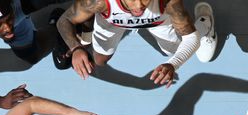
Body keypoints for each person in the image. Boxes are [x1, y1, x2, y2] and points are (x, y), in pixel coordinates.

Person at [54, 0, 217, 86]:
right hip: (112, 22)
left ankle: (204, 23)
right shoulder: (98, 1)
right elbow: (65, 20)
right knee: (99, 60)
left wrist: (173, 64)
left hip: (157, 22)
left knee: (172, 52)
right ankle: (87, 28)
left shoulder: (168, 1)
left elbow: (190, 38)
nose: (139, 5)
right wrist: (76, 48)